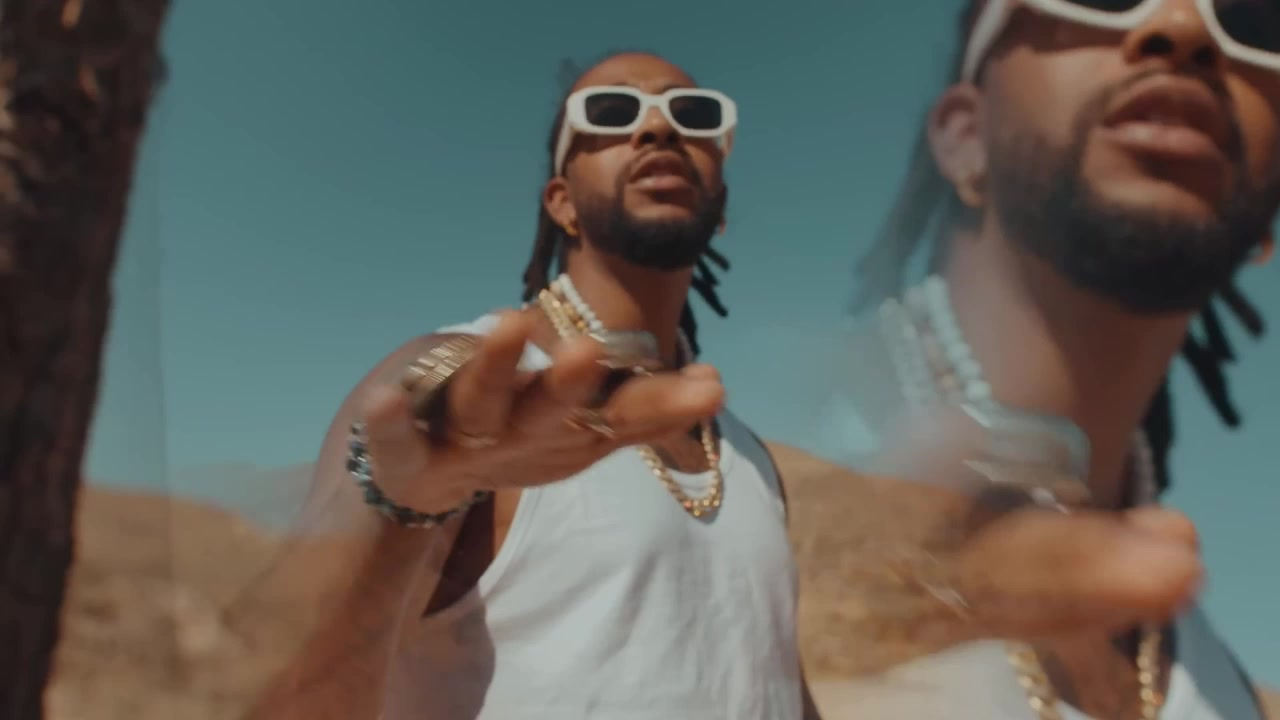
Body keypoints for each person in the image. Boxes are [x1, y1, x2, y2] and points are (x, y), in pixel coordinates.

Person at [243, 51, 823, 720]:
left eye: (692, 114)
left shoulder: (750, 459)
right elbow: (278, 689)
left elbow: (776, 683)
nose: (658, 128)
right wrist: (404, 511)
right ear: (562, 203)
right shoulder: (454, 387)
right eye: (612, 112)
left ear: (718, 205)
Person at [786, 0, 1280, 717]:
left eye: (1257, 23)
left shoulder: (1227, 688)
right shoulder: (746, 501)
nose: (1182, 29)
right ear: (964, 136)